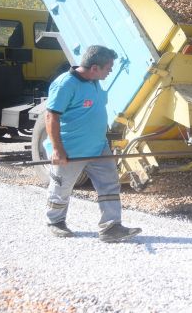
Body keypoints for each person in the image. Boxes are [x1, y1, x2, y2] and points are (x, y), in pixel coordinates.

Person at [44, 45, 141, 243]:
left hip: (98, 147)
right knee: (61, 187)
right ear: (95, 68)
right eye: (108, 67)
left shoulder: (94, 82)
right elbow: (50, 116)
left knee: (109, 184)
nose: (111, 71)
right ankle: (55, 222)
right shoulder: (65, 84)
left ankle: (111, 227)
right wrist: (57, 149)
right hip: (71, 151)